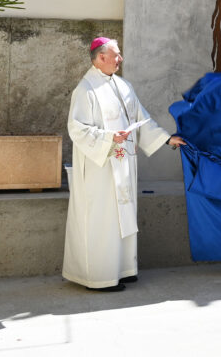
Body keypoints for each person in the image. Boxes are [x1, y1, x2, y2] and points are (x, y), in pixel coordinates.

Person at [62, 37, 186, 292]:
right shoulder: (85, 90)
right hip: (99, 169)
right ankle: (100, 277)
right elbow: (77, 129)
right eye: (116, 55)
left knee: (122, 217)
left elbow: (142, 119)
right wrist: (109, 137)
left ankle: (123, 270)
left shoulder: (123, 85)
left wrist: (166, 139)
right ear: (101, 57)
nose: (121, 59)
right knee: (103, 221)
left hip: (123, 164)